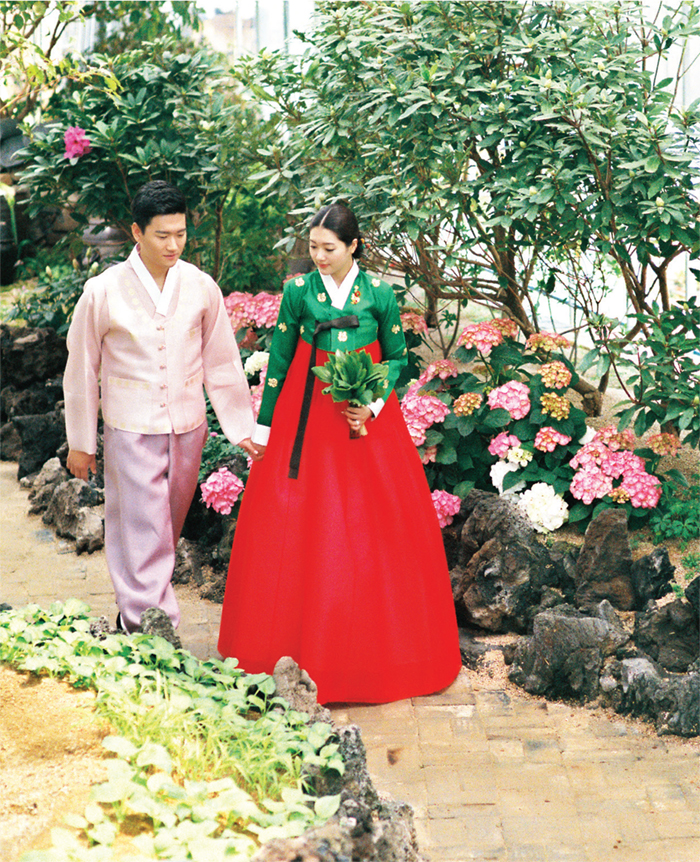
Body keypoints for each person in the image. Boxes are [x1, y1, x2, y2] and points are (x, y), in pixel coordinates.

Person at [218, 201, 461, 704]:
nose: (319, 258)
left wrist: (371, 403)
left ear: (354, 247)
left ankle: (379, 659)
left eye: (329, 249)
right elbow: (281, 361)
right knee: (306, 529)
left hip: (367, 425)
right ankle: (293, 650)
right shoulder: (299, 293)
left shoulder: (380, 295)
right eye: (312, 248)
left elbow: (397, 360)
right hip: (306, 424)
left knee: (375, 529)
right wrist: (263, 426)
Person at [64, 179, 257, 634]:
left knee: (163, 528)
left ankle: (139, 612)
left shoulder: (200, 285)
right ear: (136, 232)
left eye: (181, 234)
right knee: (140, 529)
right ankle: (150, 626)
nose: (174, 245)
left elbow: (223, 360)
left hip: (188, 426)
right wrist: (81, 442)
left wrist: (241, 427)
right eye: (162, 235)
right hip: (131, 428)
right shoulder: (103, 290)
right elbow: (81, 368)